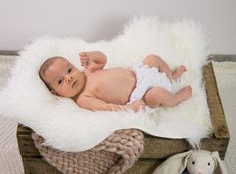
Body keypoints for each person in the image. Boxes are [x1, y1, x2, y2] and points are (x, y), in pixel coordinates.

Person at [39, 51, 192, 112]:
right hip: (142, 94)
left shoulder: (87, 72)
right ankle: (177, 98)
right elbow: (106, 108)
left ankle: (171, 77)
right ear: (55, 93)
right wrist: (130, 108)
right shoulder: (82, 99)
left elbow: (102, 59)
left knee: (152, 58)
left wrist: (92, 56)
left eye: (69, 70)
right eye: (60, 81)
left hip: (141, 72)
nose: (69, 78)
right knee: (157, 95)